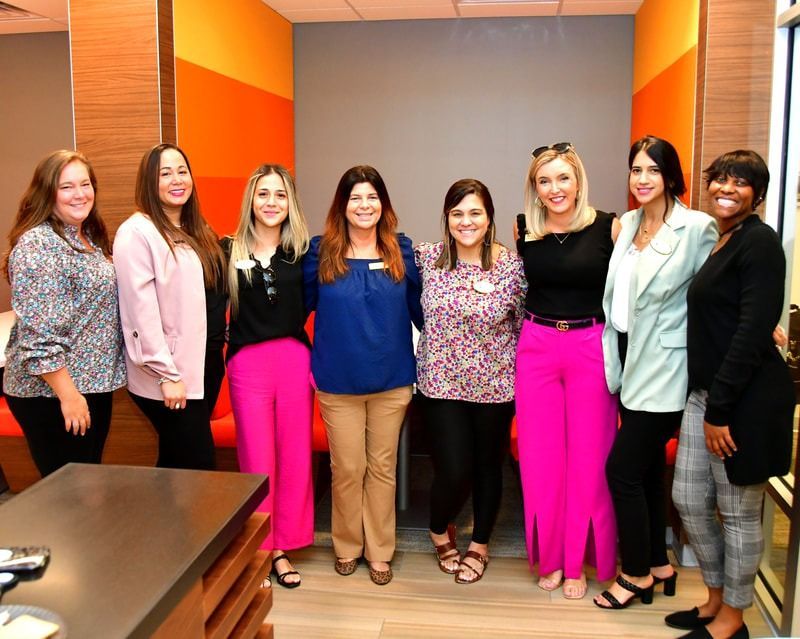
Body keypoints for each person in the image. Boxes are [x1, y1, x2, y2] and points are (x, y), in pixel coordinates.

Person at [668, 150, 794, 639]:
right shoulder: (725, 242)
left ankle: (733, 620)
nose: (727, 188)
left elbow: (750, 330)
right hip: (707, 396)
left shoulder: (760, 244)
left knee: (739, 513)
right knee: (689, 500)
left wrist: (720, 409)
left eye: (740, 182)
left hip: (743, 402)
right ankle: (715, 597)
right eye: (719, 178)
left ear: (757, 194)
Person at [593, 136, 718, 609]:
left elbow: (717, 289)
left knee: (621, 469)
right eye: (635, 170)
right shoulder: (627, 224)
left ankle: (636, 573)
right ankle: (660, 562)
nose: (642, 179)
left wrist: (762, 321)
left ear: (670, 175)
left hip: (666, 365)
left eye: (652, 169)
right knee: (644, 471)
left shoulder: (696, 227)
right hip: (626, 357)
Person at [303, 165, 422, 586]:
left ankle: (380, 551)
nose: (364, 205)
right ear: (343, 205)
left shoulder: (401, 250)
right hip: (338, 381)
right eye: (356, 198)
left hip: (392, 380)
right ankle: (347, 545)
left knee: (382, 467)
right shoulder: (321, 252)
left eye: (372, 197)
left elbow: (422, 311)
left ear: (383, 204)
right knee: (348, 468)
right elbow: (300, 308)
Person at [515, 142, 621, 599]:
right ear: (535, 190)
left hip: (589, 345)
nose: (555, 189)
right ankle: (552, 559)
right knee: (539, 459)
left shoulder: (608, 226)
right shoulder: (525, 230)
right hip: (536, 346)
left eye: (562, 178)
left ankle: (580, 563)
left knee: (589, 458)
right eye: (545, 181)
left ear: (578, 180)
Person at [416, 179, 526, 584]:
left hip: (495, 385)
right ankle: (437, 526)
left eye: (475, 212)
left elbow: (527, 323)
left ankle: (479, 545)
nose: (466, 221)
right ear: (446, 217)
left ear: (489, 217)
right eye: (457, 213)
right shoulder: (426, 258)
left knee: (486, 467)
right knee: (453, 469)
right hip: (441, 383)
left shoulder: (511, 266)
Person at [2, 150, 126, 476]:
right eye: (66, 186)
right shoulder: (38, 245)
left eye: (85, 184)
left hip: (89, 385)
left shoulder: (85, 237)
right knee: (71, 498)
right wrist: (69, 397)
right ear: (47, 193)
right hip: (54, 393)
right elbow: (38, 337)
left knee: (86, 488)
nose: (80, 194)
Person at [223, 164, 313, 588]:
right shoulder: (228, 249)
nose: (271, 203)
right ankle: (259, 549)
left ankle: (284, 547)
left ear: (290, 202)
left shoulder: (304, 253)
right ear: (251, 201)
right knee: (256, 459)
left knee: (294, 457)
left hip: (295, 362)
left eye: (280, 195)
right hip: (247, 366)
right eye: (263, 195)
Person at [114, 143, 225, 470]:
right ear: (149, 181)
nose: (177, 180)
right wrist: (166, 374)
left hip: (204, 363)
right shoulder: (137, 232)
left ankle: (162, 522)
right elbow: (140, 311)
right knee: (200, 467)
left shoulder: (196, 230)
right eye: (165, 173)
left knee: (177, 463)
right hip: (169, 373)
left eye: (182, 171)